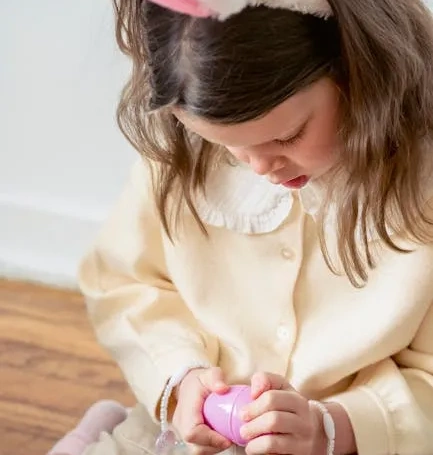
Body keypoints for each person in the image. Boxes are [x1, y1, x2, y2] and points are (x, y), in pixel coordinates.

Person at [50, 0, 433, 454]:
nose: (261, 166)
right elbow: (125, 282)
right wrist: (182, 377)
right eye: (228, 145)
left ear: (355, 64)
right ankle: (102, 432)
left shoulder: (421, 188)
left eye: (287, 136)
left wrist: (330, 428)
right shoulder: (184, 158)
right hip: (204, 433)